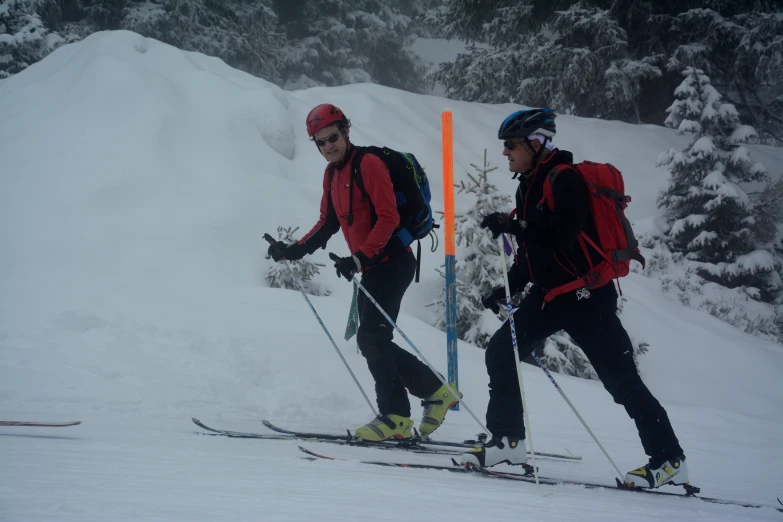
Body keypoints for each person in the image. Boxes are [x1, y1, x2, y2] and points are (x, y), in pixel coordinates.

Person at [460, 108, 688, 490]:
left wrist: (513, 225)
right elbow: (534, 253)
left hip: (587, 298)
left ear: (537, 143)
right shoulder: (527, 184)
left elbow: (561, 234)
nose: (506, 153)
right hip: (549, 297)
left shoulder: (565, 180)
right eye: (505, 146)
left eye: (511, 146)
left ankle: (670, 459)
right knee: (500, 351)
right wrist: (507, 287)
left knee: (621, 381)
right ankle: (508, 442)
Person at [267, 103, 460, 441]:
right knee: (373, 340)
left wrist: (359, 257)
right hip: (372, 265)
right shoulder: (332, 174)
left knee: (371, 338)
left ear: (346, 131)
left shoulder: (368, 165)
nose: (328, 146)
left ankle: (397, 416)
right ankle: (435, 393)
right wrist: (293, 250)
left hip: (393, 263)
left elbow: (389, 218)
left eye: (333, 137)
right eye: (321, 142)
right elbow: (328, 222)